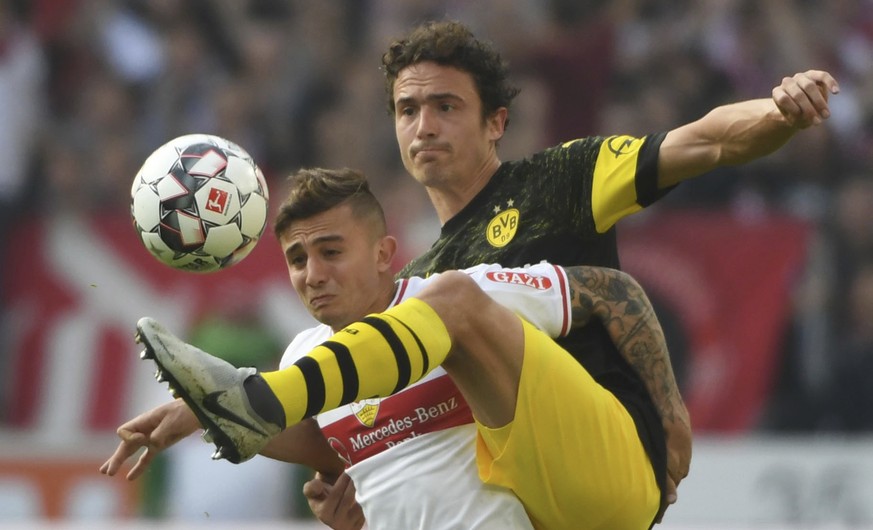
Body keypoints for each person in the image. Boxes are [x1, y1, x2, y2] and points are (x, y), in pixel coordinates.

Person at [298, 18, 837, 530]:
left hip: (594, 470)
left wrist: (777, 112)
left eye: (445, 106)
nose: (425, 127)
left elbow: (704, 141)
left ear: (496, 122)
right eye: (407, 109)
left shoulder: (562, 180)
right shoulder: (418, 281)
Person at [102, 167, 682, 529]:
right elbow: (332, 451)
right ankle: (250, 396)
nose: (313, 274)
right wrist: (193, 415)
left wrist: (668, 414)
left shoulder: (459, 298)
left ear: (384, 254)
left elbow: (612, 292)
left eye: (332, 251)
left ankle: (255, 394)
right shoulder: (309, 353)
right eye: (298, 260)